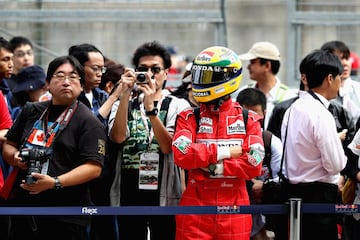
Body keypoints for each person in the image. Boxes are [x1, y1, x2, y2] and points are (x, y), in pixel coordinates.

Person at [2, 55, 106, 240]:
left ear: (81, 85)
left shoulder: (88, 121)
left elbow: (93, 167)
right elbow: (9, 144)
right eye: (60, 76)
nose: (66, 82)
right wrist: (15, 157)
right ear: (48, 83)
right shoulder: (31, 110)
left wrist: (55, 182)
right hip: (24, 208)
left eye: (73, 77)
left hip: (65, 213)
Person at [172, 46, 264, 240]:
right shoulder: (188, 117)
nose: (198, 82)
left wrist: (212, 167)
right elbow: (182, 155)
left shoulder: (249, 119)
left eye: (205, 76)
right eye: (198, 76)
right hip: (194, 211)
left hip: (234, 210)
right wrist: (228, 151)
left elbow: (254, 164)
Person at [108, 40, 190, 240]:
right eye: (143, 69)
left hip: (165, 190)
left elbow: (168, 147)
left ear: (166, 72)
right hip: (128, 189)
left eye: (155, 69)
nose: (150, 74)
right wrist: (125, 96)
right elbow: (117, 137)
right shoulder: (121, 102)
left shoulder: (178, 105)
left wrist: (151, 110)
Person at [281, 50, 347, 240]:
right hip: (319, 197)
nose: (339, 84)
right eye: (338, 78)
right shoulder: (321, 113)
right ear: (329, 78)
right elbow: (335, 165)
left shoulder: (292, 109)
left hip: (292, 193)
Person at [69, 43, 123, 240]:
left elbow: (116, 134)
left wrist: (122, 98)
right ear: (78, 68)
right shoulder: (70, 98)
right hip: (78, 175)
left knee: (106, 228)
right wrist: (116, 96)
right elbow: (91, 125)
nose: (101, 73)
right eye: (95, 68)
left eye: (103, 69)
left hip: (105, 176)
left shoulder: (101, 96)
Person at [236, 88, 282, 240]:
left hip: (265, 215)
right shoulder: (228, 142)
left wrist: (265, 187)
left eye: (255, 114)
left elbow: (281, 178)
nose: (250, 119)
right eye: (245, 113)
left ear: (264, 113)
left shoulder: (271, 142)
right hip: (234, 212)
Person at [232, 41, 297, 129]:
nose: (248, 67)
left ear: (267, 65)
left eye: (252, 62)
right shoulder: (242, 93)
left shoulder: (288, 97)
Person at [321, 40, 360, 126]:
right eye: (339, 59)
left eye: (347, 58)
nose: (345, 63)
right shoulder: (320, 92)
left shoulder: (357, 89)